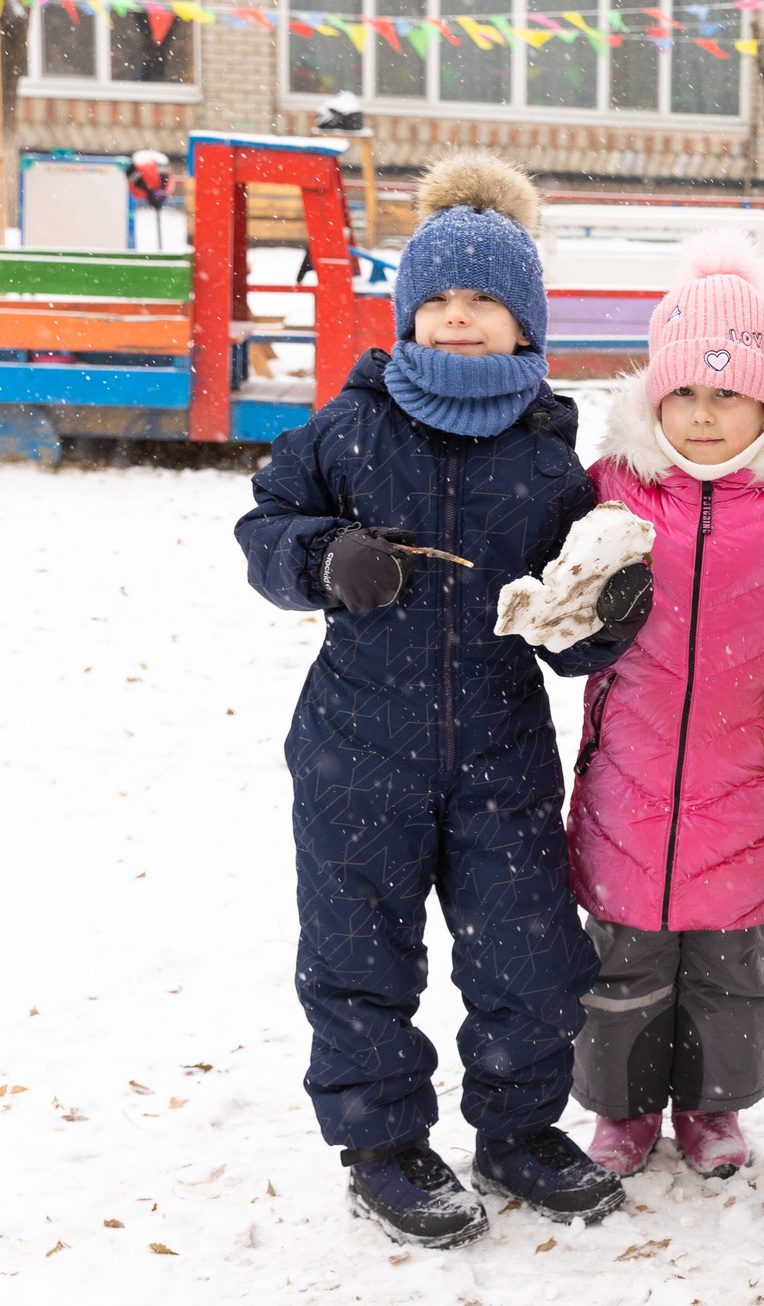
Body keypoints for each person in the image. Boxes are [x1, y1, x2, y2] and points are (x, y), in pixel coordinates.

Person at [237, 153, 652, 1249]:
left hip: (502, 748)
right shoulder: (349, 427)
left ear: (527, 324)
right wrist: (326, 557)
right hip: (356, 743)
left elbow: (571, 630)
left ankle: (517, 1129)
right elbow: (264, 530)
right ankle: (381, 1143)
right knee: (356, 947)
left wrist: (606, 613)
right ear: (409, 312)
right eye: (439, 299)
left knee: (528, 953)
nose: (460, 318)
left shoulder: (553, 462)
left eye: (486, 302)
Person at [565, 235, 764, 1181]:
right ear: (654, 400)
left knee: (730, 971)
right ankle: (624, 1108)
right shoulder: (614, 491)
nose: (705, 413)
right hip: (632, 777)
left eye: (728, 393)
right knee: (624, 967)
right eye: (684, 392)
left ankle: (712, 1106)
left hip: (747, 779)